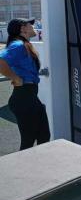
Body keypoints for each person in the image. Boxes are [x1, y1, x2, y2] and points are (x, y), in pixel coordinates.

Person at [0, 18, 50, 150]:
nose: (33, 26)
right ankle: (23, 170)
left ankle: (40, 167)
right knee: (28, 141)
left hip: (29, 96)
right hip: (23, 97)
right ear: (23, 29)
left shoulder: (24, 44)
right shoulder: (18, 45)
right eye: (30, 24)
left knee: (44, 136)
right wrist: (15, 77)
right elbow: (1, 62)